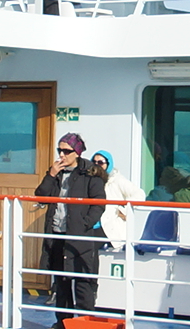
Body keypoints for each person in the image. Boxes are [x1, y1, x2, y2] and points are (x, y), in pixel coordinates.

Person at [36, 133, 106, 329]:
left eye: (66, 151)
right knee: (62, 284)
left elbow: (99, 203)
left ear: (77, 152)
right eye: (59, 150)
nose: (61, 155)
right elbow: (40, 196)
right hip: (57, 234)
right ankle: (63, 323)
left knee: (83, 285)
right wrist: (51, 175)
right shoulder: (56, 172)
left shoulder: (90, 173)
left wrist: (84, 224)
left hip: (79, 237)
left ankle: (85, 325)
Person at [91, 150, 145, 251]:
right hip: (91, 223)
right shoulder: (89, 180)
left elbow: (139, 194)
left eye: (101, 162)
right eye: (94, 162)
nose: (97, 165)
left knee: (88, 246)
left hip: (108, 225)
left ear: (108, 164)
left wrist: (123, 210)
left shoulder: (117, 180)